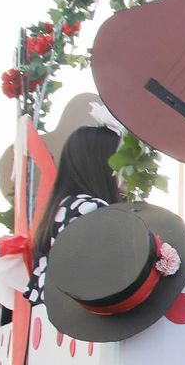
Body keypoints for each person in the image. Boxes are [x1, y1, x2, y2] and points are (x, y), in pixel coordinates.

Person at [26, 126, 121, 305]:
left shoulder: (65, 207)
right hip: (77, 320)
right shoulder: (90, 209)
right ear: (101, 163)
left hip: (50, 318)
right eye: (121, 158)